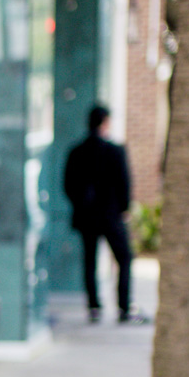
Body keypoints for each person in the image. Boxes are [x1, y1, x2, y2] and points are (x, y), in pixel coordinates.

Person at [63, 104, 142, 323]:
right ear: (105, 123)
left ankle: (93, 306)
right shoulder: (115, 151)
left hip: (87, 216)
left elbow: (67, 185)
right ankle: (124, 307)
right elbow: (124, 183)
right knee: (124, 258)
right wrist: (124, 209)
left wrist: (80, 204)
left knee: (89, 260)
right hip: (110, 216)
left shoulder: (77, 151)